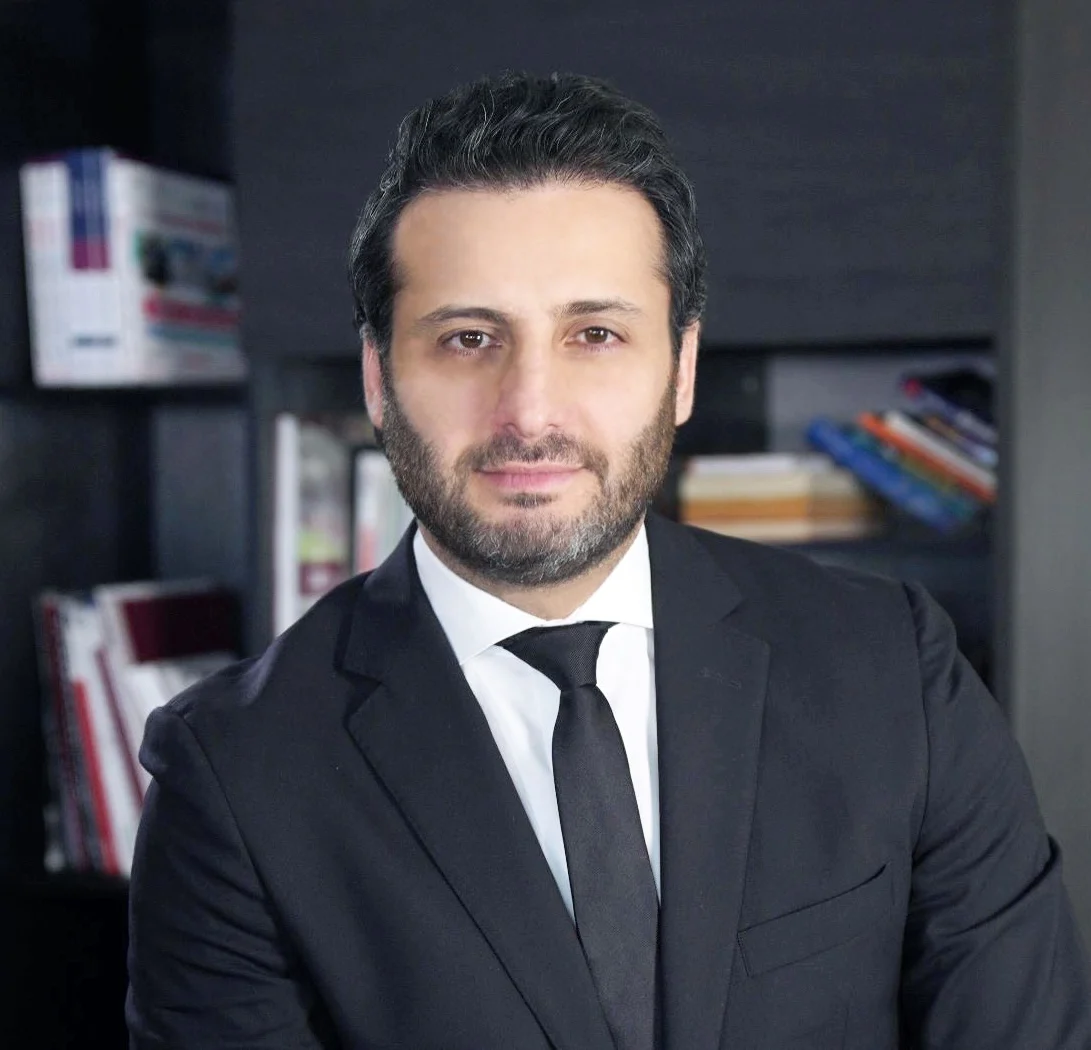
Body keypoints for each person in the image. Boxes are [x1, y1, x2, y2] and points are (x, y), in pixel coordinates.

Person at [126, 71, 1091, 1049]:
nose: (530, 411)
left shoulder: (894, 668)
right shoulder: (234, 773)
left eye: (594, 334)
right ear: (379, 377)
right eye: (467, 338)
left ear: (681, 368)